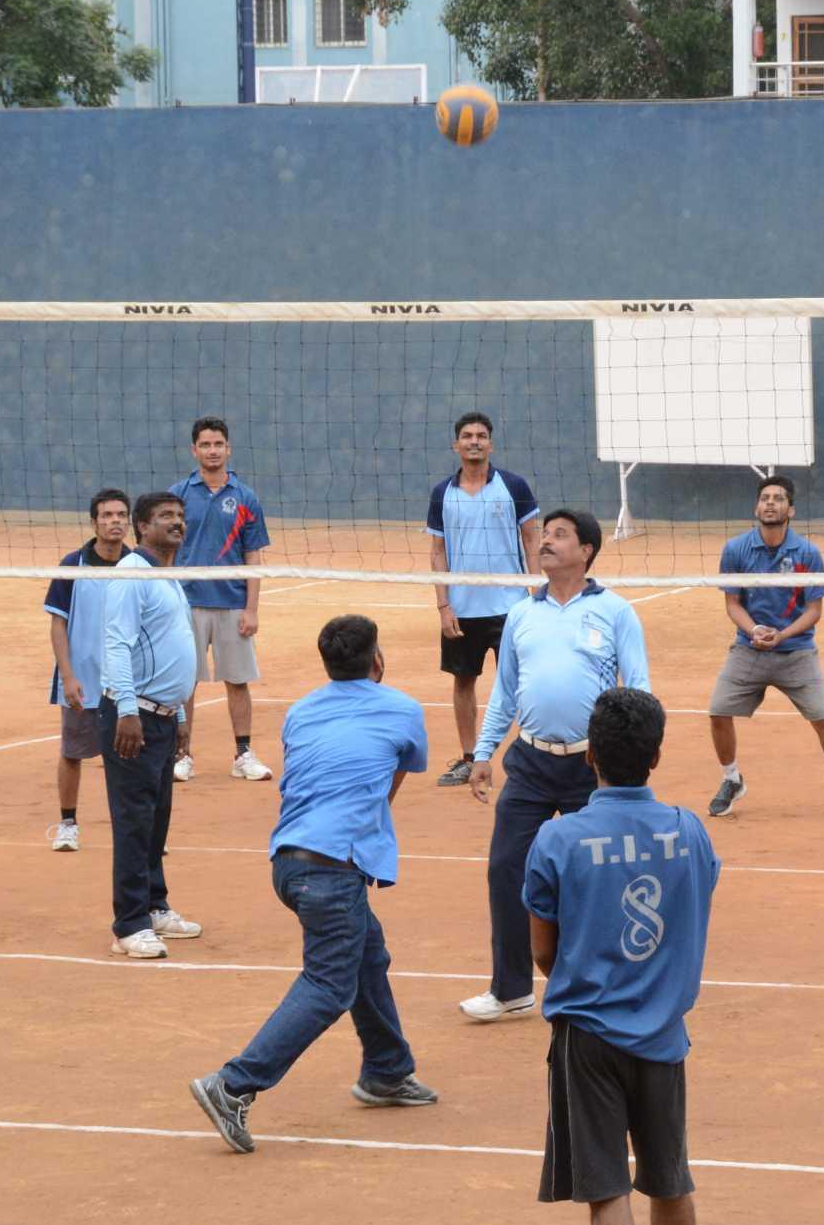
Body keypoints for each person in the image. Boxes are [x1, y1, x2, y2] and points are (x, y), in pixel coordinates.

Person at [524, 685, 719, 1225]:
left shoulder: (558, 839)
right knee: (669, 1176)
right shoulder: (690, 831)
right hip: (664, 1034)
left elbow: (543, 952)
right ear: (656, 756)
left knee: (606, 1190)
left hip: (588, 1036)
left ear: (591, 758)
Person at [187, 614, 437, 1152]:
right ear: (378, 661)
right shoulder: (403, 710)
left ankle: (387, 1070)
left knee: (367, 955)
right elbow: (391, 780)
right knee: (328, 985)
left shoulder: (300, 712)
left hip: (288, 862)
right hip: (332, 872)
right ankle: (233, 1085)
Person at [462, 508, 650, 1024]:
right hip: (530, 761)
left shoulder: (615, 611)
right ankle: (511, 989)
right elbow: (505, 692)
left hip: (594, 767)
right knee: (506, 867)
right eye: (544, 534)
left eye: (559, 535)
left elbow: (638, 687)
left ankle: (613, 981)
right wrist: (483, 754)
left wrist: (630, 758)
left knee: (601, 875)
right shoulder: (522, 613)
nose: (546, 541)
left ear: (586, 550)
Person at [703, 476, 824, 822]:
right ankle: (731, 780)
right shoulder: (736, 550)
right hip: (749, 649)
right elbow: (733, 604)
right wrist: (755, 630)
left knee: (823, 717)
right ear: (756, 507)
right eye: (765, 498)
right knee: (718, 710)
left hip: (796, 651)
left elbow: (814, 611)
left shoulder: (807, 553)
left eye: (778, 498)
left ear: (790, 510)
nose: (770, 503)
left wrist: (782, 635)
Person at [98, 491, 203, 957]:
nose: (177, 523)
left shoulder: (168, 576)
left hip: (160, 716)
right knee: (133, 821)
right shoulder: (131, 574)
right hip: (133, 717)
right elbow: (117, 645)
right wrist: (126, 709)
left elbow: (168, 649)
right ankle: (129, 924)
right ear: (142, 527)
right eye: (165, 517)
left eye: (180, 516)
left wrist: (178, 714)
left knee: (157, 819)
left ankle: (154, 905)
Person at [426, 411, 540, 786]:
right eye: (467, 436)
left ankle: (533, 758)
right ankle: (468, 758)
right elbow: (438, 552)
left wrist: (537, 592)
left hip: (511, 607)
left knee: (525, 682)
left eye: (481, 436)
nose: (474, 441)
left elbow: (531, 539)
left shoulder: (514, 486)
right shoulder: (442, 493)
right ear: (456, 444)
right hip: (462, 609)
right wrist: (444, 605)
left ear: (490, 444)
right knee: (463, 682)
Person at [172, 417, 273, 783]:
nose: (212, 451)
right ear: (194, 450)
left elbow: (253, 556)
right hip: (187, 604)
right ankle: (182, 754)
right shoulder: (178, 496)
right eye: (205, 444)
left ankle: (243, 754)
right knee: (184, 683)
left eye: (218, 444)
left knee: (237, 680)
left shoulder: (245, 498)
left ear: (228, 449)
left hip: (232, 604)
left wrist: (251, 609)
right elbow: (165, 550)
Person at [41, 489, 134, 852]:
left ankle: (134, 831)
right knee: (72, 753)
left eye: (121, 515)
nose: (115, 521)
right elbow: (58, 625)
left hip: (125, 683)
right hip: (83, 680)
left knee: (129, 759)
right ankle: (68, 824)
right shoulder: (72, 565)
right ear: (94, 522)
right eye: (107, 515)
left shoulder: (137, 566)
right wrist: (68, 676)